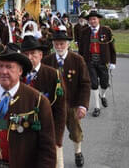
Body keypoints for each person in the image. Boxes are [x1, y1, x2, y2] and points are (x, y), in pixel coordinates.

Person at [0, 45, 56, 167]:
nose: (4, 71)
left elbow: (48, 148)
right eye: (0, 66)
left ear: (20, 71)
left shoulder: (38, 101)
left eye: (9, 67)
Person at [42, 28, 91, 167]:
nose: (59, 47)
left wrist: (83, 105)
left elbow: (85, 83)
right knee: (56, 136)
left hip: (72, 104)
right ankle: (59, 163)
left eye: (62, 44)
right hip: (53, 106)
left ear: (68, 44)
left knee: (76, 133)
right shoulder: (47, 61)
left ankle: (78, 152)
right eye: (56, 44)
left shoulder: (78, 60)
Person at [20, 35, 66, 168]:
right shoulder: (17, 74)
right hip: (23, 133)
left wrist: (57, 139)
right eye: (26, 54)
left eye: (33, 53)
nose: (29, 57)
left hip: (47, 133)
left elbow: (60, 111)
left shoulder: (53, 75)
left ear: (40, 55)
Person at [78, 10, 116, 117]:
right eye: (90, 19)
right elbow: (81, 49)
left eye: (94, 19)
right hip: (89, 61)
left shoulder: (106, 31)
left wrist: (113, 62)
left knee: (104, 83)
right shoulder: (85, 32)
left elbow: (112, 48)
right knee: (93, 83)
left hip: (102, 61)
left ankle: (102, 95)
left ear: (98, 19)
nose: (92, 21)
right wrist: (81, 61)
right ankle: (97, 107)